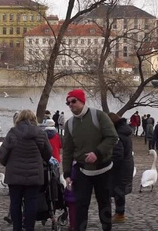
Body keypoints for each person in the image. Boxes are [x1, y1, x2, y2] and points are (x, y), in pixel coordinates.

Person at [62, 89, 118, 231]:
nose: (70, 105)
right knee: (81, 205)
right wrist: (67, 174)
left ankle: (107, 228)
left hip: (103, 168)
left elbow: (112, 137)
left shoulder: (99, 116)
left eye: (73, 101)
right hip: (82, 170)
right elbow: (67, 151)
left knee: (104, 203)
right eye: (68, 102)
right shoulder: (69, 124)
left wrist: (97, 153)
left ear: (82, 101)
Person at [0, 109, 53, 231]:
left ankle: (17, 228)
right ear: (34, 119)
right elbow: (48, 154)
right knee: (31, 203)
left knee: (15, 203)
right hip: (34, 175)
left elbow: (3, 152)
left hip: (15, 175)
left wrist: (6, 162)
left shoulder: (13, 132)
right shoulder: (40, 133)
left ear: (19, 119)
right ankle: (29, 228)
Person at [107, 113, 134, 224]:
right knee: (119, 190)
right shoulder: (125, 132)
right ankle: (119, 213)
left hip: (119, 167)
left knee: (117, 190)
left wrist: (109, 164)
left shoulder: (118, 135)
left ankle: (119, 214)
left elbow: (118, 154)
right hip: (126, 164)